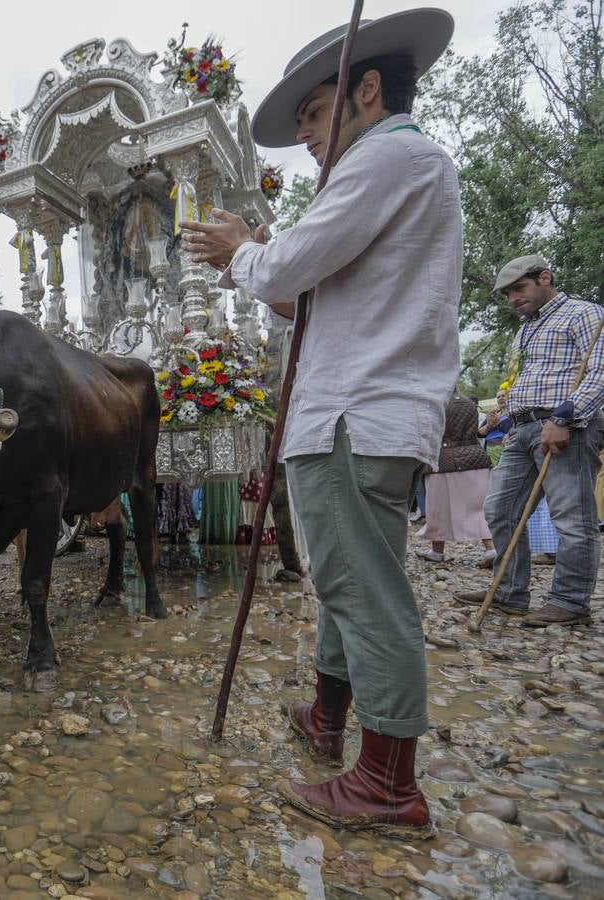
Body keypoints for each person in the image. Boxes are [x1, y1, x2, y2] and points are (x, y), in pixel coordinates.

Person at [181, 8, 458, 839]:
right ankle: (329, 716)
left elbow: (285, 272)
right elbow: (297, 295)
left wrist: (245, 248)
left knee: (363, 590)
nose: (304, 134)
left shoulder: (386, 157)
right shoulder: (394, 167)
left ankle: (387, 784)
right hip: (359, 413)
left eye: (313, 113)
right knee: (346, 583)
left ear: (367, 90)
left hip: (353, 413)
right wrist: (263, 259)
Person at [454, 255, 604, 627]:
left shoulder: (583, 313)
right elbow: (530, 377)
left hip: (566, 427)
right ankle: (509, 592)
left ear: (545, 278)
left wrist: (564, 418)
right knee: (499, 509)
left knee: (572, 517)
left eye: (519, 289)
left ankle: (570, 602)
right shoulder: (526, 329)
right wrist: (512, 413)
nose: (513, 299)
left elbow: (599, 372)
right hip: (523, 429)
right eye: (507, 294)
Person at [417, 395, 496, 566]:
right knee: (478, 507)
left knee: (438, 508)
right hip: (474, 456)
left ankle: (437, 551)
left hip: (443, 459)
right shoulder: (469, 403)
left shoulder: (434, 402)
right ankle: (490, 548)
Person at [478, 388, 509, 465]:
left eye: (503, 396)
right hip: (489, 449)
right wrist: (488, 425)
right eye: (498, 397)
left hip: (505, 448)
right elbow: (479, 434)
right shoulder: (493, 414)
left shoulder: (513, 413)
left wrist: (499, 423)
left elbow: (511, 430)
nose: (501, 398)